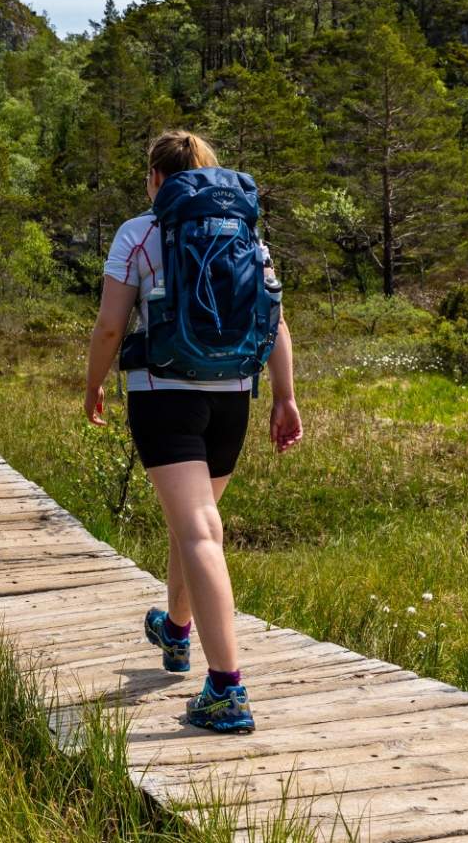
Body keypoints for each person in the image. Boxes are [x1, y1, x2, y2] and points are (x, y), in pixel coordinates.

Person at [83, 130, 302, 734]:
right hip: (233, 397)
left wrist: (94, 384)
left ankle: (227, 689)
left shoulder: (140, 232)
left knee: (201, 531)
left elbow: (109, 326)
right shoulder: (244, 229)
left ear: (156, 177)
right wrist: (284, 397)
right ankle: (176, 632)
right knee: (194, 525)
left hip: (165, 393)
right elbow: (274, 316)